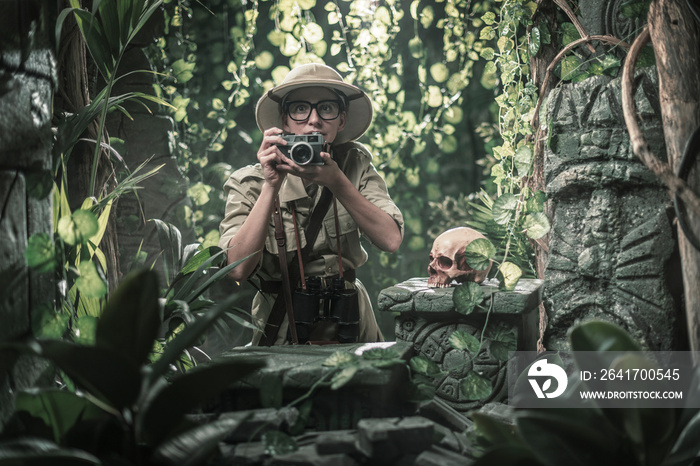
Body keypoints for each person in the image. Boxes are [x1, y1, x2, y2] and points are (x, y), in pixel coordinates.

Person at [219, 63, 403, 345]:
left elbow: (390, 239)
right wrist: (271, 185)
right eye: (300, 109)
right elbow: (236, 270)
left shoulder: (354, 164)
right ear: (284, 120)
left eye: (326, 108)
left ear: (341, 120)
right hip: (282, 321)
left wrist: (337, 181)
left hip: (350, 320)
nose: (314, 120)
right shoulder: (249, 182)